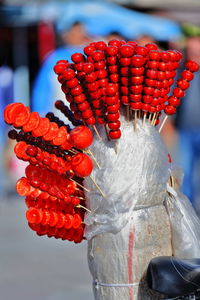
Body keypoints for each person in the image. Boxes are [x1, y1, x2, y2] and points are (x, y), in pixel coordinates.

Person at [31, 22, 91, 117]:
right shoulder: (54, 58)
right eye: (75, 32)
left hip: (89, 118)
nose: (80, 35)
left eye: (82, 32)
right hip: (60, 116)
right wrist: (40, 114)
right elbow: (42, 90)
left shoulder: (89, 55)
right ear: (66, 35)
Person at [174, 36, 200, 207]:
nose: (193, 53)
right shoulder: (181, 71)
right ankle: (188, 207)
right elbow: (173, 95)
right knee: (185, 170)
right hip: (184, 129)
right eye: (190, 50)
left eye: (196, 50)